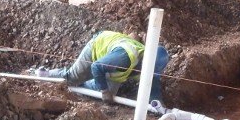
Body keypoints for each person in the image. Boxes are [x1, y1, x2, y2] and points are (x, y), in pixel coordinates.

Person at [37, 31, 169, 103]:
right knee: (73, 77)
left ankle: (82, 86)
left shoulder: (151, 65)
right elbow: (96, 67)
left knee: (110, 91)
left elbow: (154, 86)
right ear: (146, 60)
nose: (149, 72)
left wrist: (157, 105)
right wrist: (104, 91)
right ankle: (44, 74)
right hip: (97, 48)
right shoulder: (126, 56)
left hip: (113, 65)